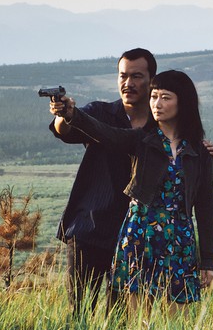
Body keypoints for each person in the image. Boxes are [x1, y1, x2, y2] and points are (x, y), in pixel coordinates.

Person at [56, 69, 213, 306]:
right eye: (154, 96)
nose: (157, 104)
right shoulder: (141, 140)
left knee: (176, 326)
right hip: (140, 236)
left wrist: (208, 261)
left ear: (183, 102)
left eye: (165, 97)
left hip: (180, 241)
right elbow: (104, 133)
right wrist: (72, 114)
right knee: (139, 323)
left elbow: (205, 206)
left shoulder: (199, 152)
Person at [49, 47, 158, 315]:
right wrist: (64, 114)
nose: (128, 83)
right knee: (78, 315)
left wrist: (203, 149)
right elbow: (66, 131)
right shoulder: (100, 111)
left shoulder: (161, 124)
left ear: (151, 80)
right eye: (122, 76)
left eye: (136, 76)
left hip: (133, 237)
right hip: (89, 229)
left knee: (120, 321)